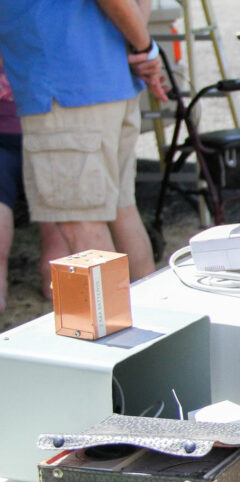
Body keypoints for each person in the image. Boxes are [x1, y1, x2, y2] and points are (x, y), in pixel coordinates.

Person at [0, 0, 169, 282]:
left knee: (82, 225)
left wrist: (144, 48)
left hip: (63, 87)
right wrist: (143, 47)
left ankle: (117, 327)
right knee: (120, 211)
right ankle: (154, 323)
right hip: (103, 80)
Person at [0, 56, 69, 312]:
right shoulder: (40, 18)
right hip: (48, 124)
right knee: (56, 213)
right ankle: (58, 289)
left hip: (11, 129)